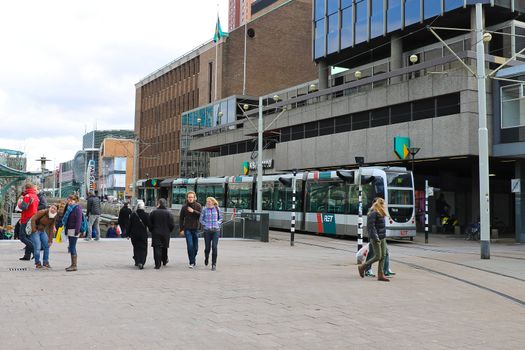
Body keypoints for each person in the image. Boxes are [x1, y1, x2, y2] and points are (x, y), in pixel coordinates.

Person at [358, 198, 390, 282]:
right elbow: (371, 227)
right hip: (376, 238)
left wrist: (383, 237)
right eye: (383, 205)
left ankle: (380, 274)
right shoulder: (373, 212)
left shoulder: (380, 213)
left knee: (383, 255)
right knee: (378, 256)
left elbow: (381, 226)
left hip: (382, 237)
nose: (384, 206)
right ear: (380, 205)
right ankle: (362, 267)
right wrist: (376, 238)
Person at [149, 198, 174, 269]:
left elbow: (150, 223)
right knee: (164, 247)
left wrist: (152, 230)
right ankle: (164, 260)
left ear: (159, 204)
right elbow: (172, 224)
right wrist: (169, 231)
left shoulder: (153, 212)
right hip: (166, 233)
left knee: (157, 248)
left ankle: (157, 264)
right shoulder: (169, 213)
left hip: (156, 232)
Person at [30, 204, 58, 269]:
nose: (53, 209)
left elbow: (51, 228)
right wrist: (34, 230)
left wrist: (50, 240)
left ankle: (45, 262)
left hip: (42, 231)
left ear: (56, 211)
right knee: (38, 247)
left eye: (55, 209)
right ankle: (37, 263)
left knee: (47, 246)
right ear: (50, 207)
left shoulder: (54, 216)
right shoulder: (43, 212)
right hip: (36, 231)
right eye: (52, 207)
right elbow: (33, 219)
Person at [179, 191, 202, 268]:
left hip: (195, 228)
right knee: (190, 245)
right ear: (187, 198)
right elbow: (181, 219)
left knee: (195, 248)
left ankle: (193, 258)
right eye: (189, 197)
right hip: (187, 229)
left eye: (192, 197)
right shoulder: (184, 207)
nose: (190, 199)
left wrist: (193, 211)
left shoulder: (198, 206)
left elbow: (201, 216)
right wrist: (181, 229)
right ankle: (191, 262)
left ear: (194, 197)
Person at [199, 197, 222, 271]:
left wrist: (217, 223)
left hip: (216, 230)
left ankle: (214, 264)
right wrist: (206, 225)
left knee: (214, 247)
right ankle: (206, 257)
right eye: (207, 201)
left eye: (209, 201)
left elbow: (221, 218)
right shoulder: (204, 209)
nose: (208, 203)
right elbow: (201, 220)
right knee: (207, 248)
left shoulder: (217, 209)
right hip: (207, 231)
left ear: (213, 202)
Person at [61, 195, 83, 272]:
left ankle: (74, 265)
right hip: (70, 229)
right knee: (71, 246)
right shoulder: (69, 208)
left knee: (72, 247)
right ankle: (73, 265)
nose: (69, 201)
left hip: (74, 230)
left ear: (75, 200)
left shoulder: (77, 208)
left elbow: (79, 220)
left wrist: (77, 230)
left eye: (71, 200)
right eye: (68, 200)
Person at [18, 184, 39, 261]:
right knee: (28, 236)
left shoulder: (27, 196)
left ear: (26, 188)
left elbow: (24, 207)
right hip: (33, 218)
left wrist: (20, 203)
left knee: (22, 236)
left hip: (26, 218)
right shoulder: (35, 196)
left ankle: (33, 249)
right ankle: (27, 256)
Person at [127, 201, 150, 269]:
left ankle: (137, 261)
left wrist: (128, 234)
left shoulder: (133, 215)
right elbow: (149, 225)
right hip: (143, 234)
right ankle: (142, 262)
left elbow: (129, 226)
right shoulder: (146, 215)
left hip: (134, 235)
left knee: (136, 248)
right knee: (143, 248)